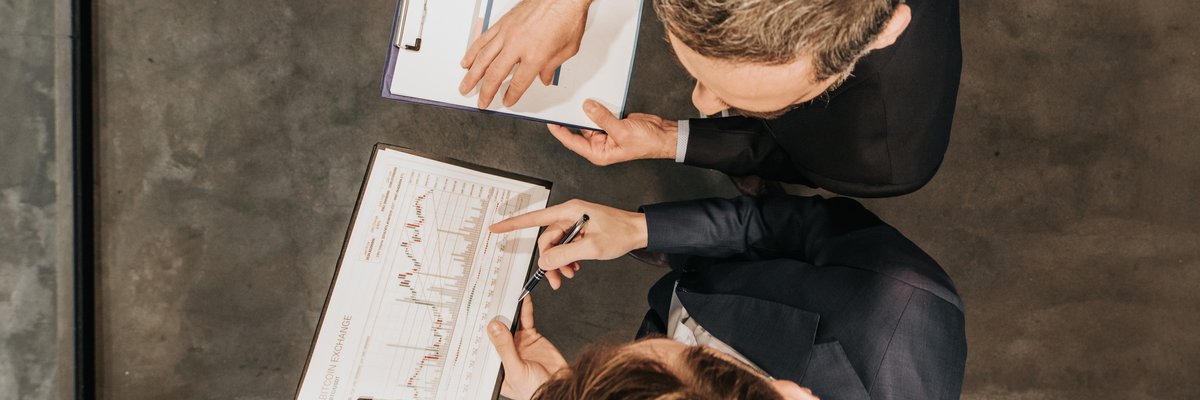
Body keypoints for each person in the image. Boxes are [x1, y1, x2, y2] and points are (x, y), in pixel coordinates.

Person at [459, 0, 961, 197]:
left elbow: (784, 155)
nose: (701, 102)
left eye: (759, 104)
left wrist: (672, 140)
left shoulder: (883, 154)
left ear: (883, 32)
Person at [486, 195, 967, 399]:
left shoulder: (902, 306)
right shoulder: (904, 297)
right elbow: (792, 224)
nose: (676, 328)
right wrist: (643, 229)